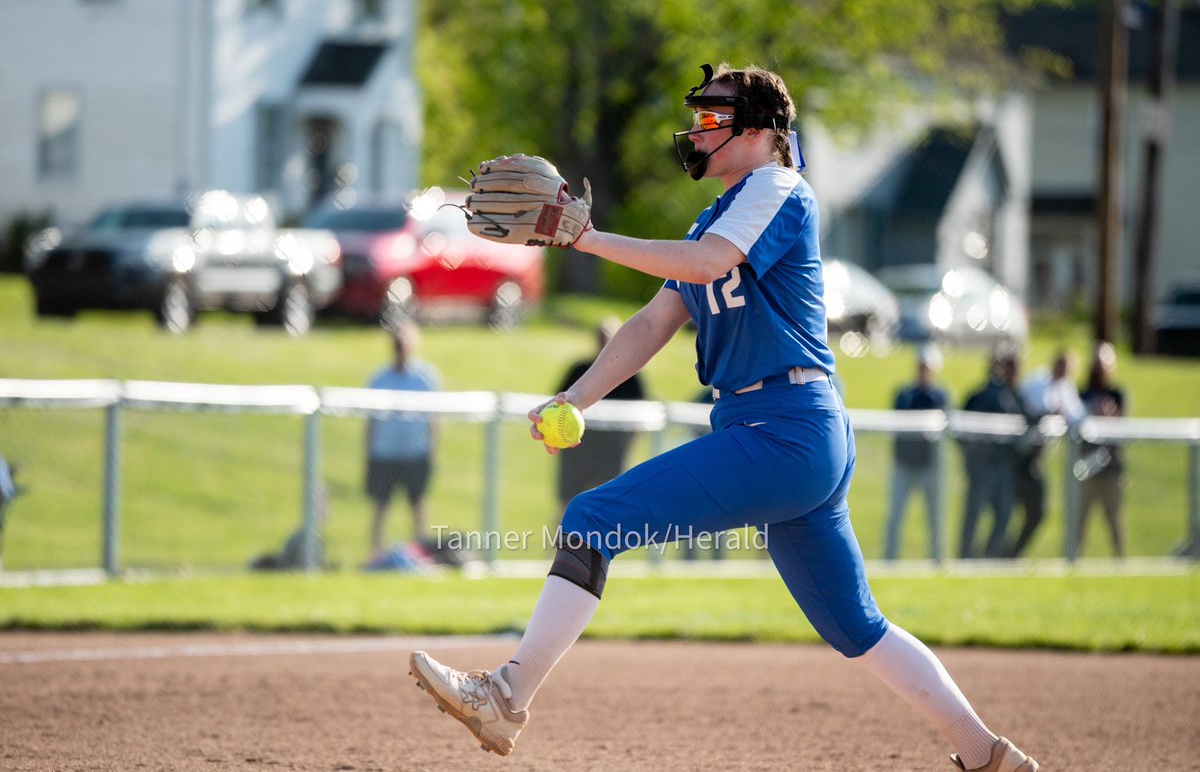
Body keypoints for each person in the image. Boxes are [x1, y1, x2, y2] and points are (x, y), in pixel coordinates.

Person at [408, 63, 1038, 771]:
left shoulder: (777, 187)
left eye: (715, 117)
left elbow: (709, 264)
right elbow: (653, 323)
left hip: (784, 429)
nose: (699, 129)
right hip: (788, 432)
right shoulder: (723, 211)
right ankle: (986, 754)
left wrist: (586, 239)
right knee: (857, 627)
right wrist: (575, 398)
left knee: (592, 519)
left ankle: (506, 695)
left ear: (762, 130)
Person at [555, 316, 647, 510]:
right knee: (568, 505)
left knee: (610, 506)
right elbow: (559, 403)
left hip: (612, 450)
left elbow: (641, 412)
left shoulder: (630, 376)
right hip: (579, 450)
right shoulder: (580, 369)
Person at [364, 320, 440, 555]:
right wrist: (368, 450)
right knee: (381, 505)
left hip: (415, 452)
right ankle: (376, 555)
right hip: (384, 453)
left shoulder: (425, 378)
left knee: (418, 504)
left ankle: (421, 554)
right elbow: (371, 420)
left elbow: (435, 419)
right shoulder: (380, 379)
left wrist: (433, 449)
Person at [1010, 350, 1085, 557]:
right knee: (1007, 507)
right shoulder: (1036, 381)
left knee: (1038, 512)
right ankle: (993, 553)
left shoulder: (1066, 388)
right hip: (1019, 455)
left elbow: (1077, 416)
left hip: (1037, 459)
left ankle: (1011, 554)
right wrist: (1049, 414)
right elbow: (1026, 410)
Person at [959, 352, 1029, 560]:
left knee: (1003, 514)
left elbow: (1022, 425)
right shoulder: (979, 397)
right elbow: (962, 431)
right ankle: (966, 554)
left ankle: (991, 555)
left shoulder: (1014, 397)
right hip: (981, 468)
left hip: (1003, 467)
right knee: (974, 513)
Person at [885, 343, 950, 562]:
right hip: (904, 464)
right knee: (895, 516)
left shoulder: (940, 395)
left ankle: (938, 561)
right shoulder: (904, 394)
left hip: (929, 466)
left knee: (935, 517)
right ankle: (889, 560)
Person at [1077, 341, 1127, 558]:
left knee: (1115, 519)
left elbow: (1123, 424)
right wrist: (1091, 412)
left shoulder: (1117, 394)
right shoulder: (1082, 394)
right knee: (1079, 519)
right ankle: (1073, 561)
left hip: (1112, 467)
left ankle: (1120, 563)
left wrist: (1109, 416)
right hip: (1085, 467)